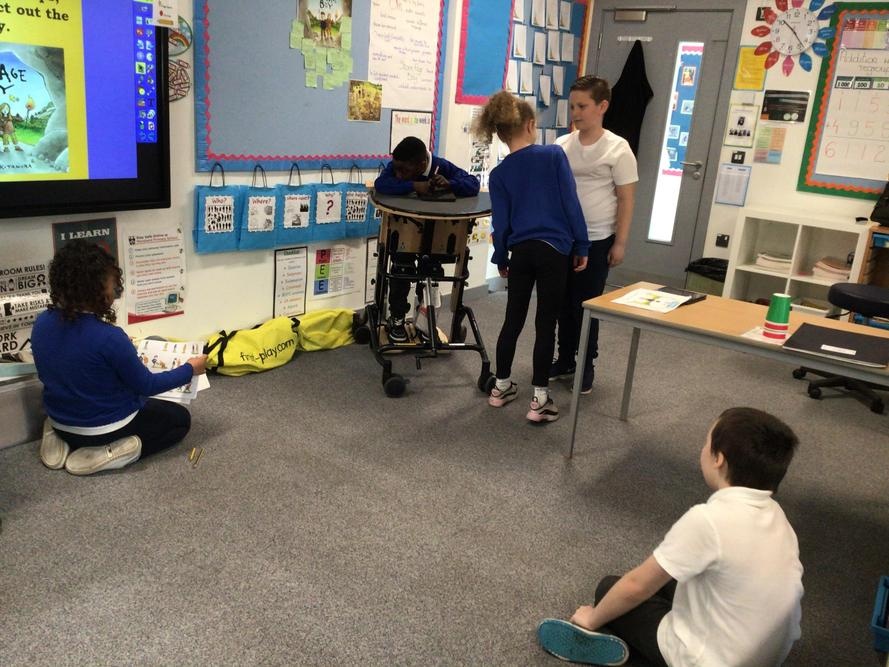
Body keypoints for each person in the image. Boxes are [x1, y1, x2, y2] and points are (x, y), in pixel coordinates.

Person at [537, 407, 803, 666]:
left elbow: (637, 586)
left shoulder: (708, 520)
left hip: (709, 659)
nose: (702, 448)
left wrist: (592, 618)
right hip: (767, 654)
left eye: (706, 442)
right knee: (677, 576)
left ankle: (630, 653)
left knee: (609, 588)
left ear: (718, 459)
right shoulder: (778, 517)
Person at [30, 240, 207, 476]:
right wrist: (190, 369)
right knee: (179, 419)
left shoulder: (42, 322)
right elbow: (147, 386)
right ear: (96, 288)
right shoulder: (110, 337)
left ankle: (57, 436)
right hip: (105, 431)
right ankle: (109, 453)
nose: (115, 289)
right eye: (111, 283)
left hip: (60, 421)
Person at [473, 91, 589, 423]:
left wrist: (501, 257)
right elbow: (570, 203)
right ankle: (539, 400)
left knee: (513, 320)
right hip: (555, 250)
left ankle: (501, 387)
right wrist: (581, 245)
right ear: (529, 124)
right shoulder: (553, 155)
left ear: (499, 133)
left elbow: (501, 223)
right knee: (545, 323)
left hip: (521, 252)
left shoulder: (499, 174)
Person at [552, 76, 638, 394]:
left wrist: (620, 242)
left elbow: (626, 199)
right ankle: (565, 359)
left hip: (598, 239)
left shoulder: (618, 148)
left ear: (602, 106)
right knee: (562, 303)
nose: (576, 113)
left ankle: (585, 364)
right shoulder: (562, 146)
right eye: (573, 106)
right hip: (563, 238)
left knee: (585, 304)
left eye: (582, 106)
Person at [374, 136, 480, 343]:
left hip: (435, 239)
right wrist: (413, 185)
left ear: (422, 164)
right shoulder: (397, 166)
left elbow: (473, 184)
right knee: (401, 269)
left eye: (404, 170)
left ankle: (424, 322)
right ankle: (397, 319)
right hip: (405, 237)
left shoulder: (442, 167)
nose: (398, 174)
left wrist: (451, 184)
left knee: (432, 271)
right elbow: (381, 184)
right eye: (397, 168)